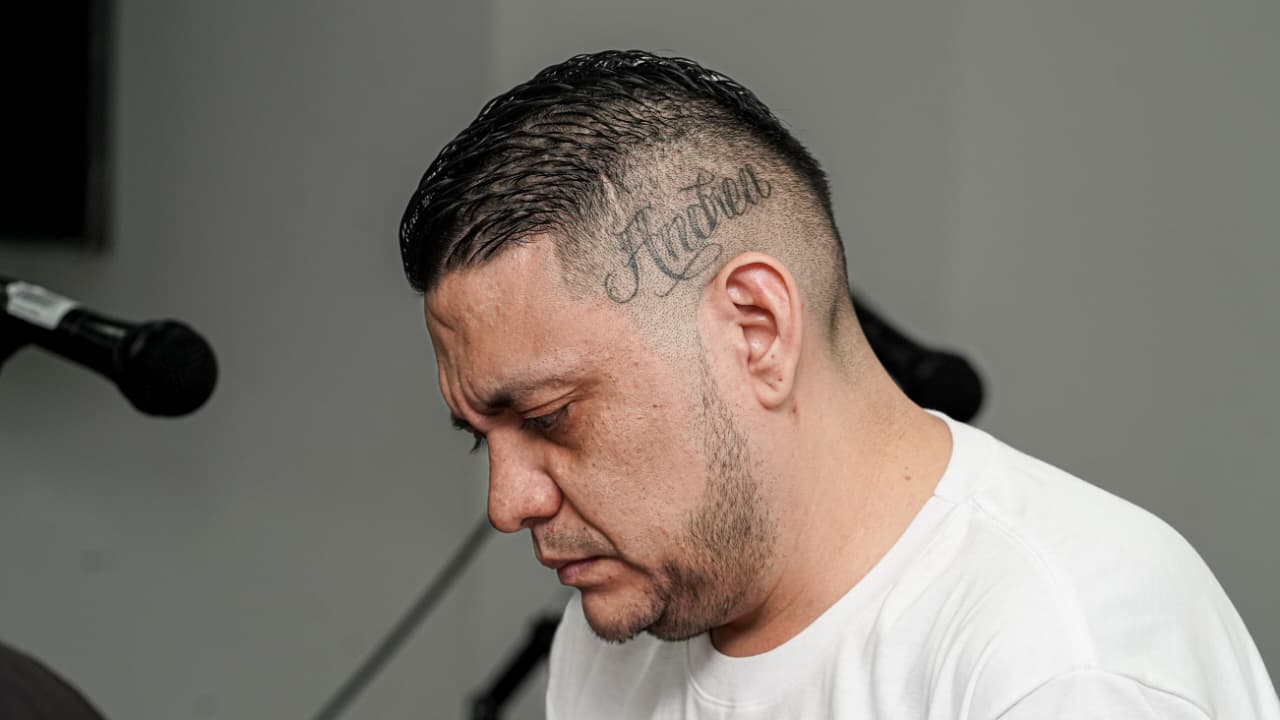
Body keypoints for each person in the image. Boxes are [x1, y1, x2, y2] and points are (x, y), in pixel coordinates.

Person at [399, 50, 1280, 719]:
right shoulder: (615, 640)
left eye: (550, 416)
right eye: (482, 438)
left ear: (755, 330)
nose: (507, 504)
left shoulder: (1062, 661)